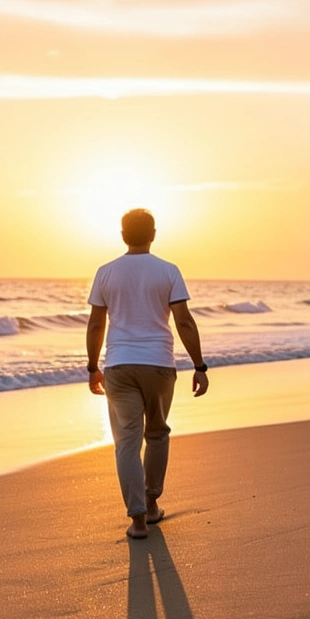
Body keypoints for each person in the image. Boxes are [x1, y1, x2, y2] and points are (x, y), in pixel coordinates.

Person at [86, 209, 209, 540]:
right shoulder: (168, 271)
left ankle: (137, 520)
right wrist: (199, 366)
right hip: (158, 364)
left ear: (123, 234)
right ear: (153, 233)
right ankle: (151, 504)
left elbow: (97, 323)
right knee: (156, 434)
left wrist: (92, 366)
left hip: (119, 366)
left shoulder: (106, 272)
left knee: (126, 441)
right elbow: (184, 321)